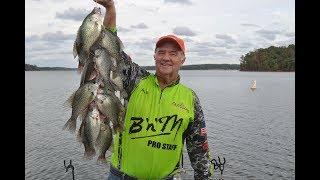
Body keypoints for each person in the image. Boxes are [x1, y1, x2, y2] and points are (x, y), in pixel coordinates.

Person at [94, 0, 214, 179]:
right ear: (154, 56)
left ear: (183, 59)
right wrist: (111, 9)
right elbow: (112, 52)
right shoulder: (135, 80)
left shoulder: (190, 98)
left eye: (173, 53)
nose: (166, 58)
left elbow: (199, 150)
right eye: (161, 52)